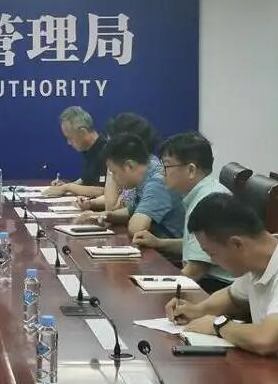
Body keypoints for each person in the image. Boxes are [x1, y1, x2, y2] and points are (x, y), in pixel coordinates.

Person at [166, 193, 278, 373]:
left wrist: (218, 325)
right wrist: (197, 310)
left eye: (212, 253)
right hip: (272, 370)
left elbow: (266, 339)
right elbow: (231, 297)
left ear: (237, 244)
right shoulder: (256, 262)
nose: (212, 261)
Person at [133, 132, 234, 293]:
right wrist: (158, 242)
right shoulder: (202, 192)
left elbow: (196, 269)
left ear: (191, 170)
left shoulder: (209, 202)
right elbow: (194, 248)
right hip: (206, 281)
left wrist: (157, 290)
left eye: (166, 166)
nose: (162, 173)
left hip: (215, 286)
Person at [79, 133, 184, 238]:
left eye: (114, 172)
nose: (113, 178)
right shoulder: (147, 169)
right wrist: (104, 215)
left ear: (129, 166)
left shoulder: (157, 182)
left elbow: (137, 228)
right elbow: (131, 210)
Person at [76, 112, 161, 212]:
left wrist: (111, 168)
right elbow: (118, 201)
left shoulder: (146, 171)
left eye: (111, 142)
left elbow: (111, 207)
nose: (108, 147)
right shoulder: (135, 166)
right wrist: (91, 203)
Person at [42, 106, 107, 198]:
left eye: (70, 137)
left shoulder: (107, 151)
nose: (69, 143)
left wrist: (68, 187)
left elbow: (103, 191)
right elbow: (86, 180)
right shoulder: (88, 151)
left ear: (83, 132)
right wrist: (63, 187)